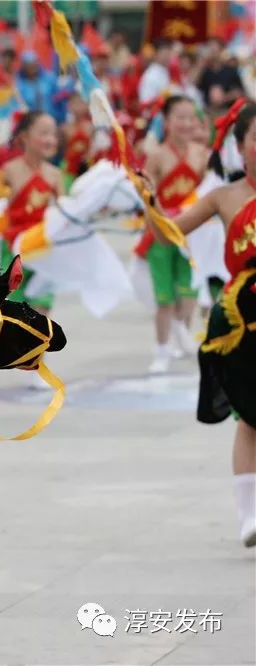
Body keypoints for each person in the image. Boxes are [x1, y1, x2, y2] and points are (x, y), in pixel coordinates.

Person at [150, 102, 256, 547]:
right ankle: (251, 516)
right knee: (250, 417)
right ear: (240, 145)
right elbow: (168, 234)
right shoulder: (224, 197)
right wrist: (149, 201)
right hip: (244, 319)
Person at [139, 95, 207, 373]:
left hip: (192, 234)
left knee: (189, 289)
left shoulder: (202, 153)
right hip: (161, 235)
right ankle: (162, 348)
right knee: (164, 297)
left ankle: (182, 330)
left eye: (191, 117)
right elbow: (146, 196)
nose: (186, 123)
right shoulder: (156, 156)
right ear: (166, 122)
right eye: (180, 117)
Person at [0, 111, 63, 313]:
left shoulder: (55, 175)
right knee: (13, 314)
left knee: (41, 312)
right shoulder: (9, 170)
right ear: (24, 137)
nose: (50, 139)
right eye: (43, 133)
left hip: (43, 248)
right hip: (13, 249)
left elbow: (63, 214)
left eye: (53, 134)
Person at [198, 39, 246, 112]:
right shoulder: (203, 71)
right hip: (207, 111)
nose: (212, 52)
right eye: (209, 48)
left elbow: (240, 91)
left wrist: (224, 98)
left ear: (221, 50)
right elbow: (190, 85)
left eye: (214, 49)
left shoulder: (230, 70)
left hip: (228, 112)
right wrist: (200, 63)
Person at [138, 39, 176, 105]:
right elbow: (146, 103)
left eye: (169, 53)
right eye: (164, 53)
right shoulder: (151, 75)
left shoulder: (165, 70)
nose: (168, 57)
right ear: (155, 54)